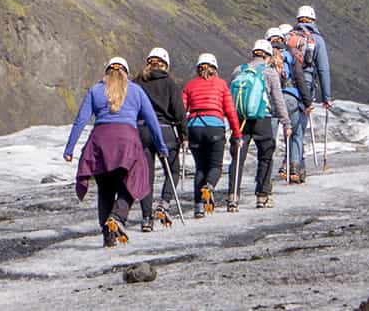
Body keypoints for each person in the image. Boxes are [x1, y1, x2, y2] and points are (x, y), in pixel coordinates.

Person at [64, 57, 170, 246]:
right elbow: (152, 121)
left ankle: (108, 238)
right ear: (127, 73)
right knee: (134, 181)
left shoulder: (96, 90)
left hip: (100, 142)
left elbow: (81, 119)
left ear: (106, 72)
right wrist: (161, 147)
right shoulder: (136, 90)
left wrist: (69, 148)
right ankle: (117, 217)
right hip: (127, 142)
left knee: (105, 191)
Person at [228, 39, 289, 208]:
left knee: (238, 158)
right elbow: (277, 100)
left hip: (240, 120)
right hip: (262, 118)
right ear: (268, 55)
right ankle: (263, 195)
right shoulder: (269, 72)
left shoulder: (238, 71)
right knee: (265, 155)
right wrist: (286, 122)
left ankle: (233, 196)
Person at [133, 47, 187, 230]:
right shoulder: (169, 83)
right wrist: (184, 134)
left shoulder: (137, 82)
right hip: (165, 131)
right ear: (165, 64)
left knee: (145, 176)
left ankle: (146, 218)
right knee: (173, 170)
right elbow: (179, 111)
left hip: (142, 130)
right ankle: (164, 204)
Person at [180, 52, 239, 217]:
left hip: (194, 127)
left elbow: (181, 111)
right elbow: (230, 110)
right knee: (215, 166)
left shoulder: (190, 85)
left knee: (200, 167)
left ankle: (198, 206)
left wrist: (182, 135)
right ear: (215, 68)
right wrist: (237, 133)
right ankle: (209, 187)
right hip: (214, 127)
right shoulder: (221, 84)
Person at [290, 6, 334, 175]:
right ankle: (296, 166)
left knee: (290, 125)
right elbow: (323, 69)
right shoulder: (316, 40)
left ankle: (292, 162)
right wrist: (326, 96)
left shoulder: (289, 37)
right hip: (306, 85)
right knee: (300, 125)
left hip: (287, 85)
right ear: (313, 20)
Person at [269, 25, 312, 183]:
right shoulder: (291, 56)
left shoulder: (265, 59)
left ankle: (266, 171)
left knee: (270, 139)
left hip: (272, 101)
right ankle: (294, 167)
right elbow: (300, 80)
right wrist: (307, 103)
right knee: (296, 133)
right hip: (290, 98)